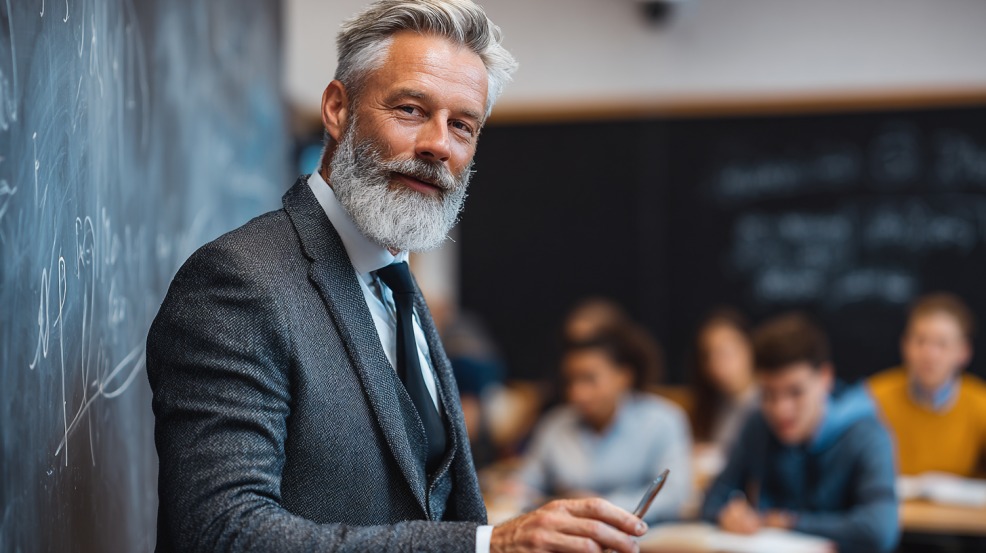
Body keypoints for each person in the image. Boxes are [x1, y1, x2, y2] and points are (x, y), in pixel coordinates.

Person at [145, 1, 648, 552]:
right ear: (337, 109)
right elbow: (223, 531)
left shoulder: (395, 286)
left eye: (463, 125)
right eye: (411, 110)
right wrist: (488, 546)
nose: (439, 146)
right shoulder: (238, 284)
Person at [700, 313, 898, 553]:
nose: (781, 410)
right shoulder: (757, 424)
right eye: (768, 395)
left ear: (825, 378)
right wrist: (727, 516)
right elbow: (711, 501)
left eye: (795, 392)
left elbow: (880, 530)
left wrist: (788, 522)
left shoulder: (867, 434)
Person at [516, 330, 693, 524]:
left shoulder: (662, 421)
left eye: (589, 379)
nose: (577, 393)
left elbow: (673, 496)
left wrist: (599, 507)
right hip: (566, 536)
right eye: (570, 381)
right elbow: (525, 483)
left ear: (623, 377)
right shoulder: (555, 423)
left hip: (639, 535)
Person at [868, 292, 986, 477]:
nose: (929, 355)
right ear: (905, 345)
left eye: (942, 344)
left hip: (960, 506)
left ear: (963, 352)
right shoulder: (873, 398)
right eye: (920, 341)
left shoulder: (981, 405)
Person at [689, 309, 758, 453]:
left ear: (749, 349)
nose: (715, 365)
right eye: (708, 356)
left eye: (724, 353)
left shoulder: (768, 402)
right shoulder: (717, 402)